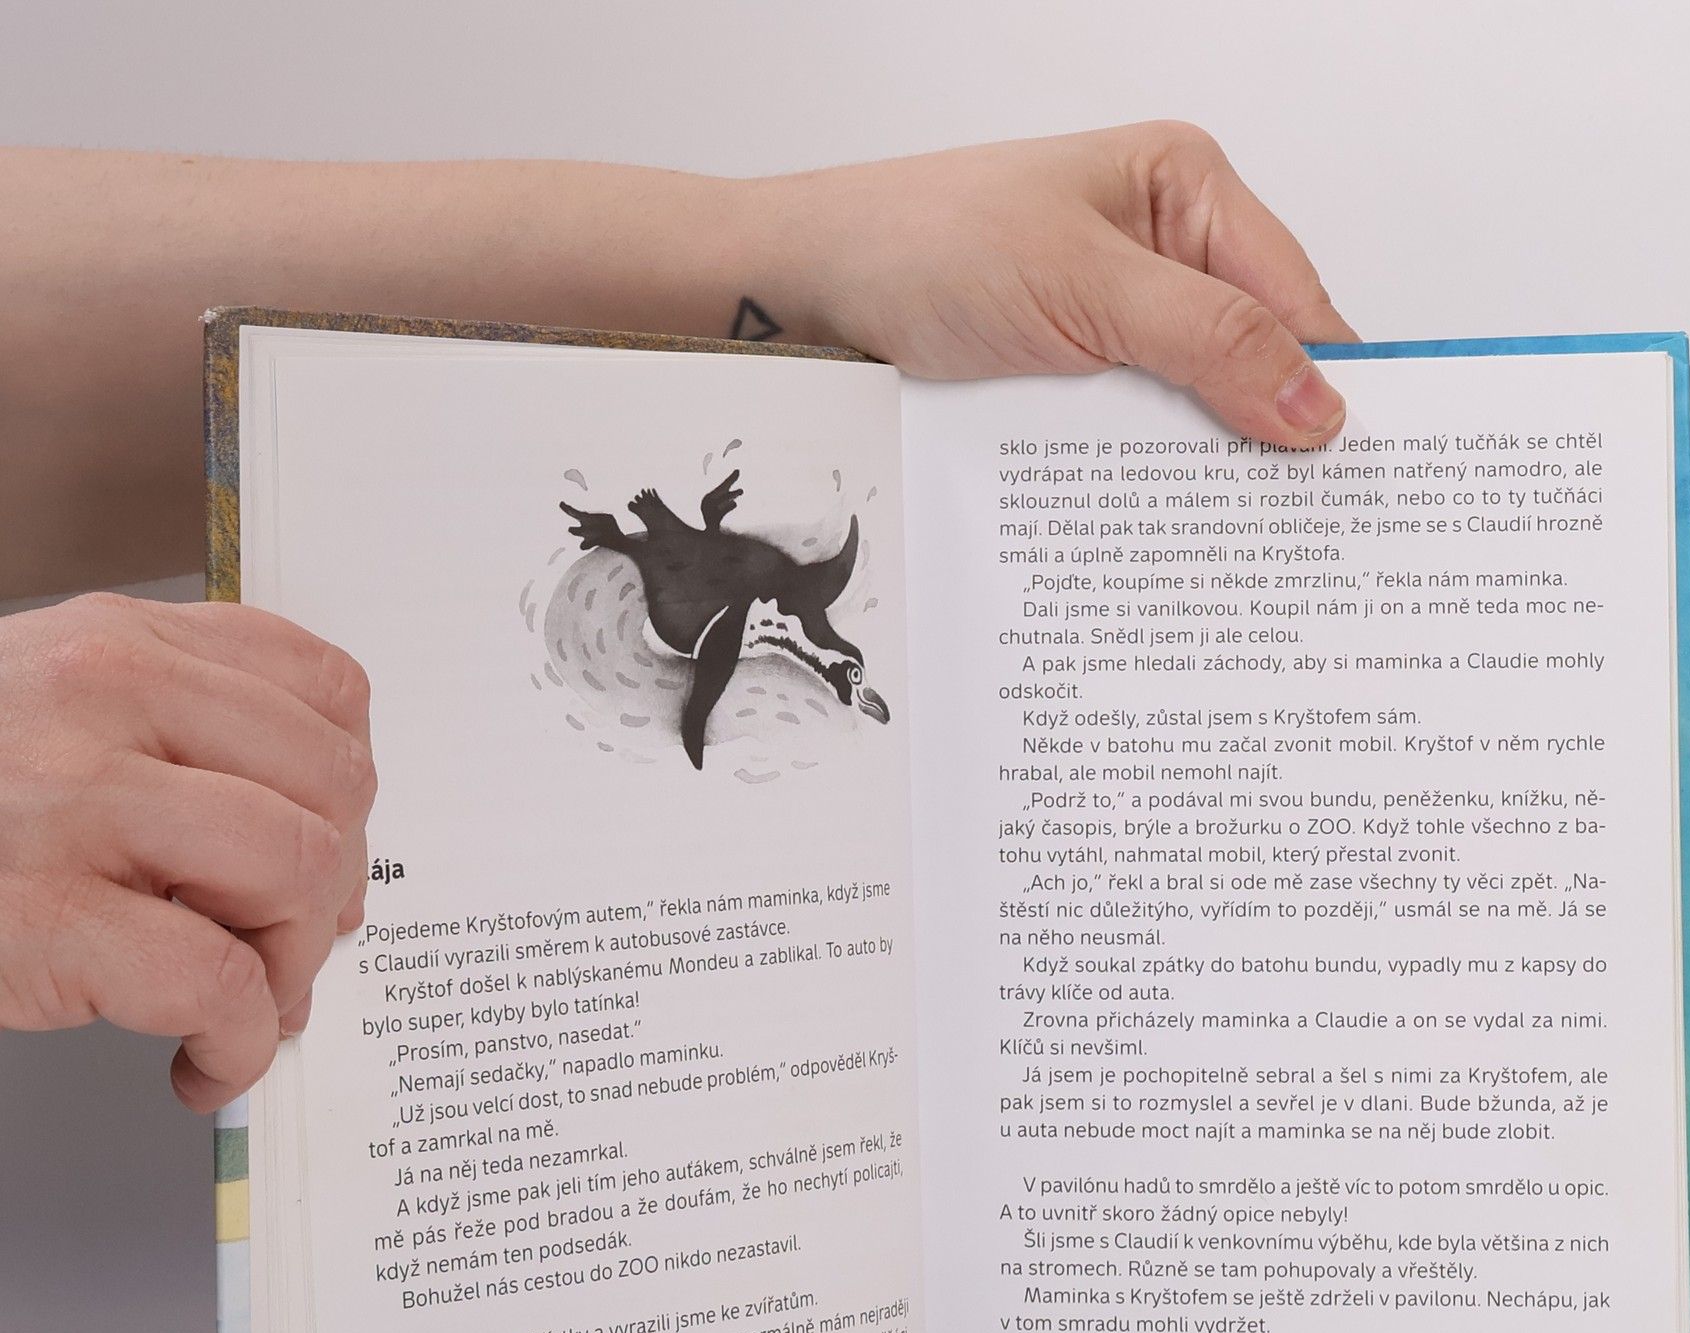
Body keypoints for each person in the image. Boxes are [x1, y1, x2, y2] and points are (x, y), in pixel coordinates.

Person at [0, 125, 1354, 1112]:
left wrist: (795, 266)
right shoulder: (671, 567)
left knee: (795, 633)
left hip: (735, 602)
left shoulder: (701, 554)